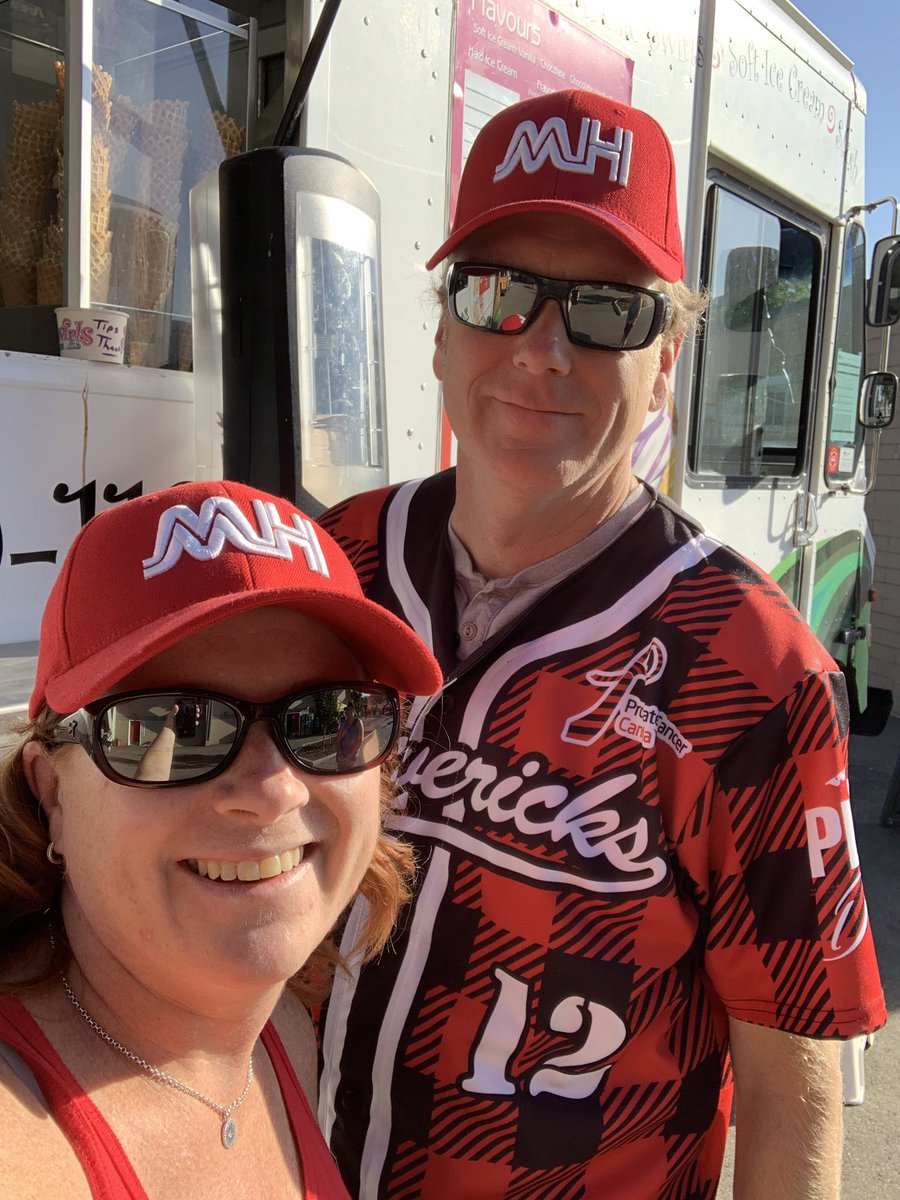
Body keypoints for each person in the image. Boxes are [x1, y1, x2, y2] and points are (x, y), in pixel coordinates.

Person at [316, 90, 887, 1199]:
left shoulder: (755, 671)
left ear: (666, 360)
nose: (542, 351)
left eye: (607, 312)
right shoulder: (334, 565)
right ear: (440, 331)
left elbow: (792, 1083)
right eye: (497, 293)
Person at [0, 479, 441, 1198]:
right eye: (175, 727)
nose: (273, 789)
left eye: (327, 718)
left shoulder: (282, 1032)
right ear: (53, 791)